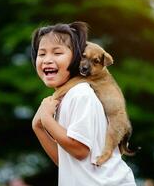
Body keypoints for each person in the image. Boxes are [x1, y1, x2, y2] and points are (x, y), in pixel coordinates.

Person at [31, 21, 136, 186]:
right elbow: (68, 162)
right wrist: (38, 127)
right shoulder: (68, 96)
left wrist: (47, 119)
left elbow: (79, 150)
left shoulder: (80, 94)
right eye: (41, 53)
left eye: (57, 53)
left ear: (77, 57)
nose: (47, 60)